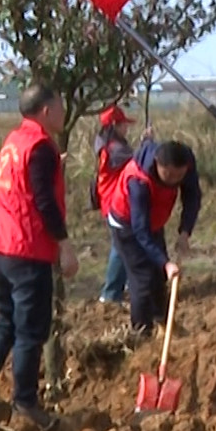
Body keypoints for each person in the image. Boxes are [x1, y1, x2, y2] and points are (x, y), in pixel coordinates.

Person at [0, 84, 78, 429]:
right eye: (61, 104)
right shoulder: (41, 148)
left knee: (7, 322)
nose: (64, 111)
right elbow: (43, 201)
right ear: (46, 111)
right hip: (25, 250)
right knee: (31, 331)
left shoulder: (15, 142)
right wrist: (64, 244)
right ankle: (26, 403)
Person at [107, 138, 201, 332]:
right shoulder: (138, 181)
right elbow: (140, 231)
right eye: (169, 175)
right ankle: (141, 333)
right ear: (158, 164)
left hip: (154, 222)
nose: (174, 180)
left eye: (179, 175)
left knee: (159, 277)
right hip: (127, 225)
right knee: (142, 279)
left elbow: (192, 196)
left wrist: (184, 232)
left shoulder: (186, 162)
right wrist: (166, 262)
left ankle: (162, 323)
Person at [91, 104, 136, 306]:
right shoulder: (116, 150)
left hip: (109, 201)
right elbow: (139, 164)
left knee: (125, 245)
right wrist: (147, 144)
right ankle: (110, 295)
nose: (126, 128)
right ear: (115, 125)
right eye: (124, 124)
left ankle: (125, 286)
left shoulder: (104, 144)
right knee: (120, 247)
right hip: (114, 204)